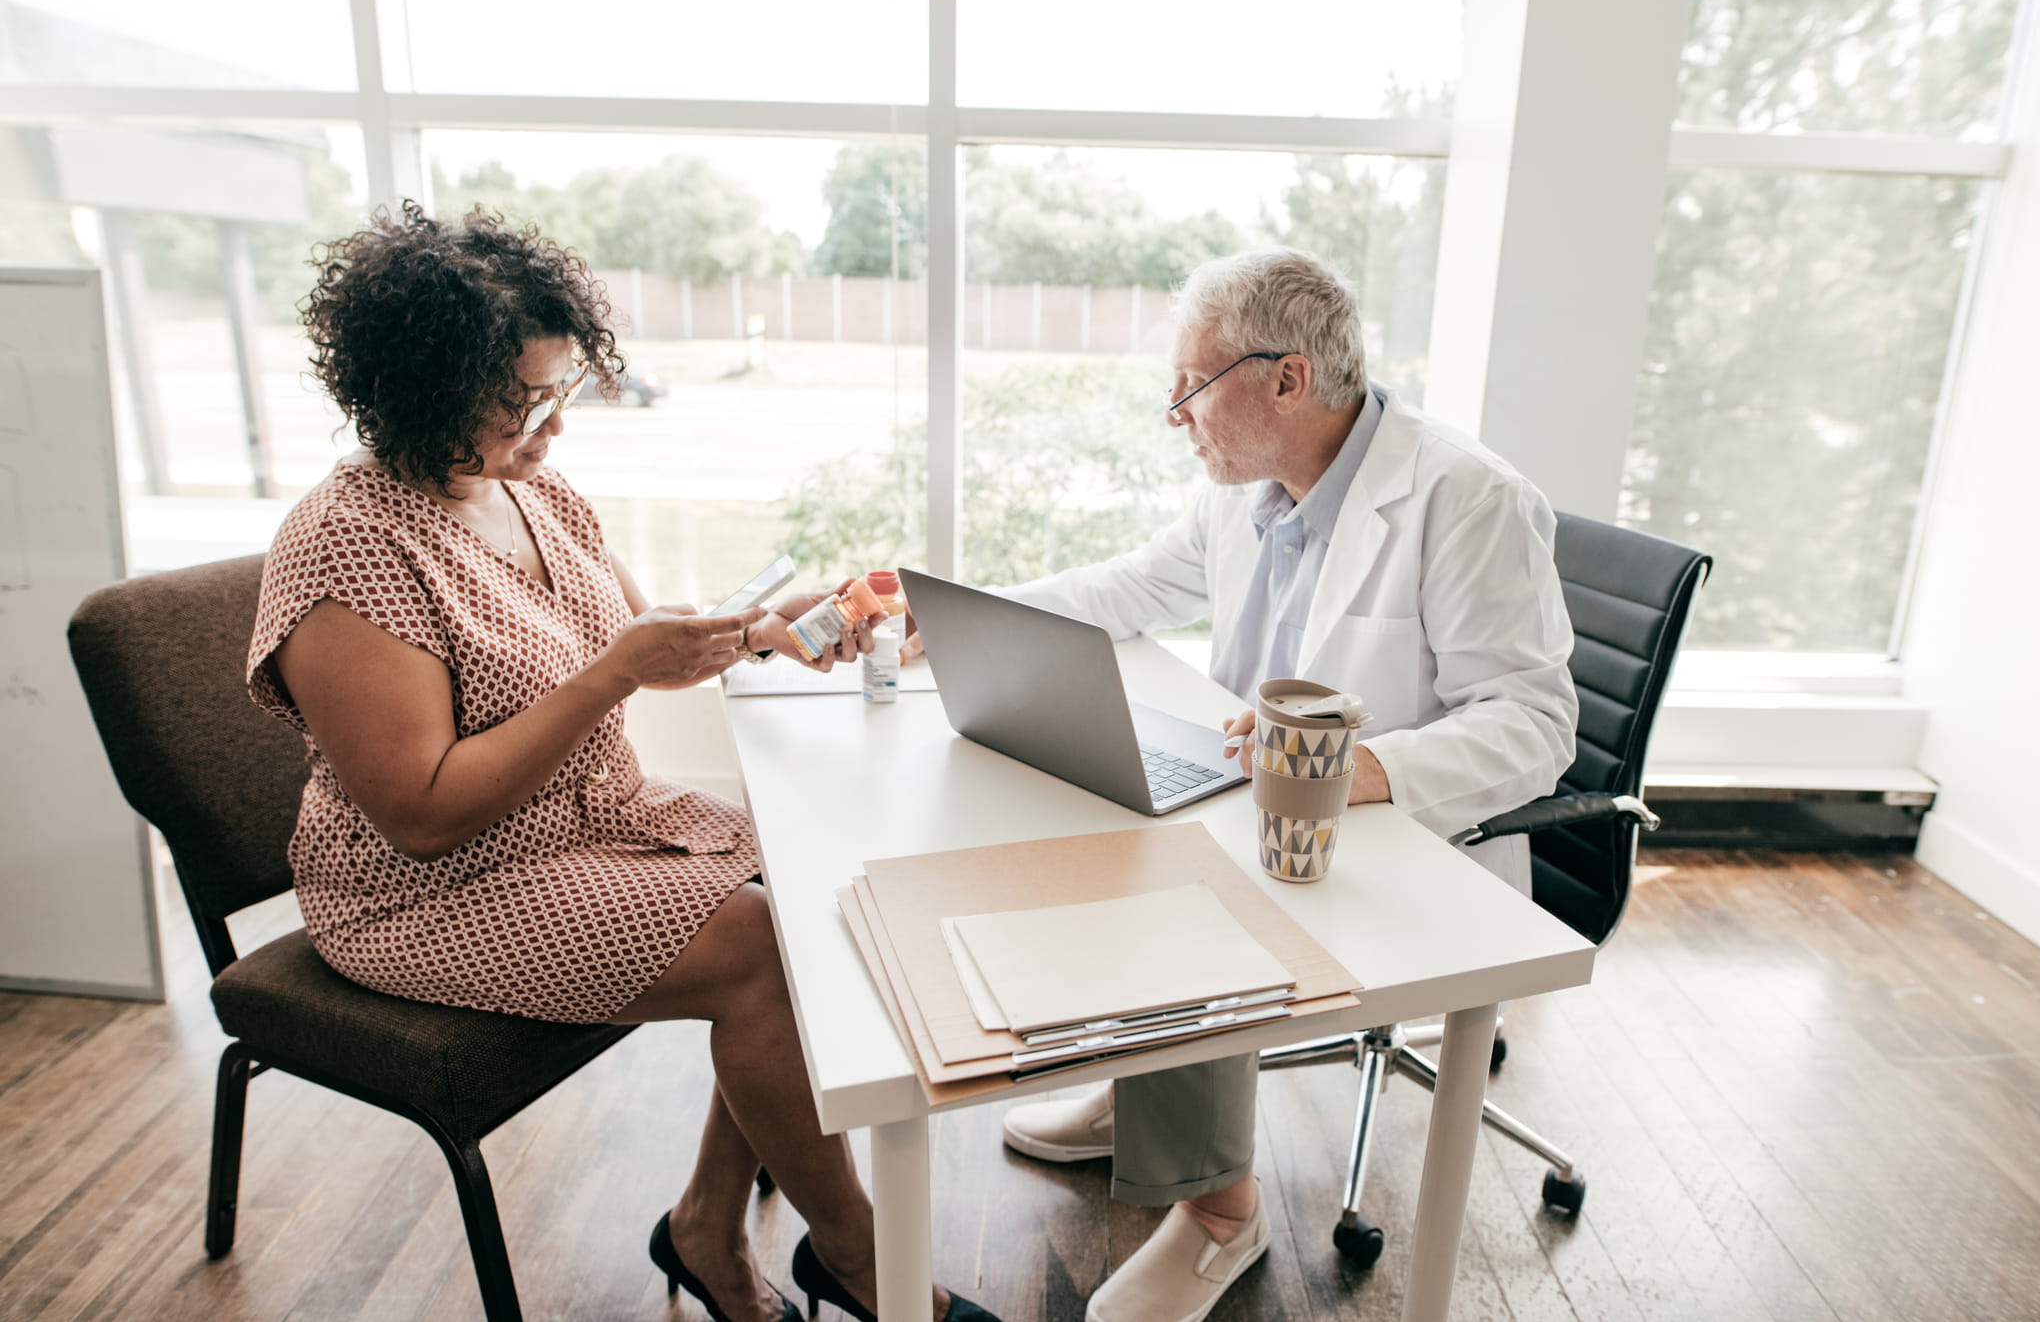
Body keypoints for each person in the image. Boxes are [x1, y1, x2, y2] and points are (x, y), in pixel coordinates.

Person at [247, 204, 995, 1322]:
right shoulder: (348, 545)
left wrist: (766, 624)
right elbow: (422, 812)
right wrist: (608, 676)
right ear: (422, 388)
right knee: (762, 949)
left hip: (588, 825)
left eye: (560, 390)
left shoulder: (528, 488)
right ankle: (861, 1260)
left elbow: (649, 651)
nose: (552, 426)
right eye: (520, 402)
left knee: (829, 878)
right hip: (429, 893)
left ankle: (704, 1225)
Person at [968, 248, 1578, 1322]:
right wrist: (956, 611)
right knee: (1093, 812)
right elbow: (1133, 584)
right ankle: (1145, 1081)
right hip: (1250, 801)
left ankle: (1219, 1214)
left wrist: (1347, 768)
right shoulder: (1252, 492)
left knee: (1179, 889)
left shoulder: (1466, 497)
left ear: (1287, 379)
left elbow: (1534, 726)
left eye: (1191, 386)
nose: (1173, 412)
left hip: (1401, 849)